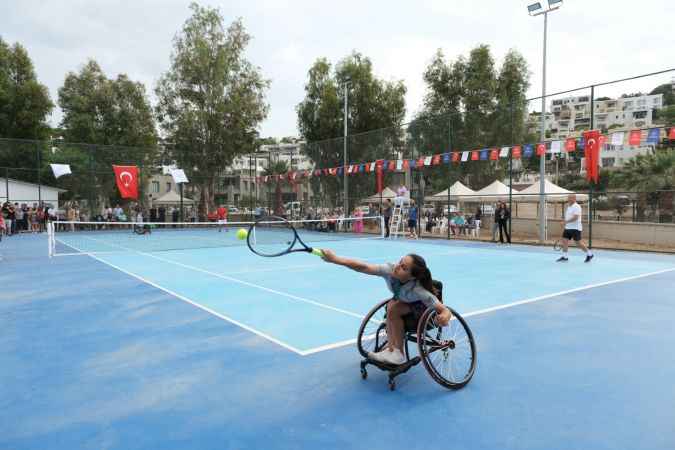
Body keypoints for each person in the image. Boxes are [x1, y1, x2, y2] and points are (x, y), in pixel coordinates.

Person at [320, 249, 451, 365]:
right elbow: (363, 266)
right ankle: (391, 349)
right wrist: (335, 259)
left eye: (404, 268)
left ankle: (398, 354)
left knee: (394, 308)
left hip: (422, 310)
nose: (398, 267)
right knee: (391, 306)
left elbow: (444, 310)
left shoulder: (418, 290)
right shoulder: (390, 270)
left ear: (412, 277)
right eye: (400, 262)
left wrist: (444, 317)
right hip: (405, 302)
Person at [557, 193, 593, 263]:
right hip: (568, 228)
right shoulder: (569, 207)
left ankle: (589, 254)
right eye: (568, 198)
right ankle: (565, 257)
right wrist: (564, 223)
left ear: (574, 199)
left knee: (578, 243)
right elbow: (568, 217)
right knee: (564, 241)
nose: (568, 199)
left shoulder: (577, 206)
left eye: (570, 198)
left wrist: (565, 222)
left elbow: (575, 218)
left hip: (575, 228)